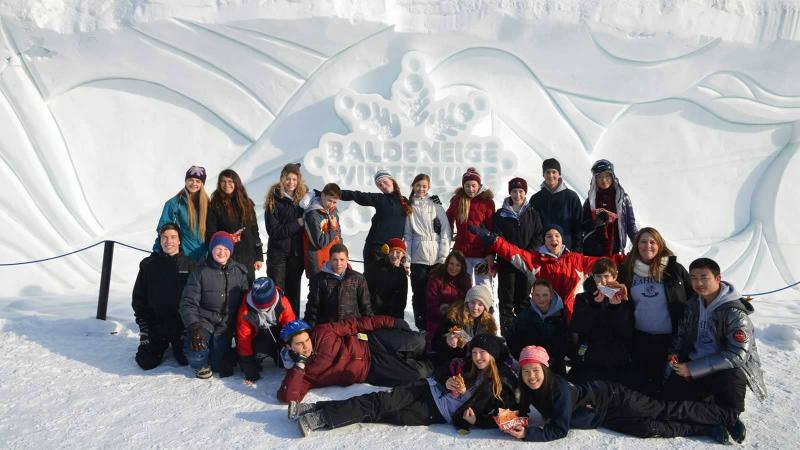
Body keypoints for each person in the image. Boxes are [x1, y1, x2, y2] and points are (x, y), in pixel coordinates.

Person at [502, 346, 745, 444]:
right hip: (603, 416)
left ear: (545, 370)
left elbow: (559, 429)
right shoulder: (529, 389)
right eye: (526, 372)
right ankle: (706, 429)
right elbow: (522, 410)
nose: (531, 376)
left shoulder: (559, 390)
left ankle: (724, 417)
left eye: (536, 370)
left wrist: (527, 434)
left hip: (613, 397)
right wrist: (508, 419)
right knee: (648, 428)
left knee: (664, 409)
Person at [290, 334, 517, 437]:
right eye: (475, 352)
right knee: (378, 401)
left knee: (381, 413)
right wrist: (444, 380)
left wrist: (476, 421)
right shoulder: (467, 365)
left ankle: (320, 412)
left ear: (494, 356)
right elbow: (442, 369)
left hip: (435, 412)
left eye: (482, 353)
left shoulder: (501, 387)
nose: (477, 357)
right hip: (425, 388)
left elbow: (506, 417)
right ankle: (317, 413)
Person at [663, 258, 767, 417]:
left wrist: (692, 369)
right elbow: (681, 336)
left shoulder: (734, 312)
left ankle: (725, 416)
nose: (698, 283)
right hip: (693, 363)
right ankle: (715, 419)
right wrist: (674, 357)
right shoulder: (693, 304)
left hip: (721, 370)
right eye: (693, 278)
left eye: (704, 278)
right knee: (668, 400)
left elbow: (737, 355)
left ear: (718, 278)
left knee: (732, 377)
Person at [468, 223, 619, 321]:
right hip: (543, 316)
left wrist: (631, 258)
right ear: (544, 241)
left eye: (557, 235)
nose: (553, 238)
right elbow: (511, 251)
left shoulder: (576, 259)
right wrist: (492, 239)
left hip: (570, 317)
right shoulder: (534, 260)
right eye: (549, 236)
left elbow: (604, 262)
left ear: (562, 239)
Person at [277, 317, 433, 403]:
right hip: (371, 369)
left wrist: (391, 322)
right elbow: (288, 397)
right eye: (299, 344)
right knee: (419, 372)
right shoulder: (303, 373)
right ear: (289, 347)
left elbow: (355, 324)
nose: (306, 346)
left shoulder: (322, 332)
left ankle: (445, 344)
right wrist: (299, 365)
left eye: (307, 340)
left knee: (419, 342)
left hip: (371, 343)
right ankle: (442, 364)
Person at [618, 227, 692, 387]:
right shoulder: (627, 271)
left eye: (653, 242)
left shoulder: (674, 270)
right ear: (637, 245)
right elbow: (605, 282)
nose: (647, 246)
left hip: (671, 341)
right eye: (643, 242)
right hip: (640, 339)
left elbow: (696, 295)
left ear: (660, 245)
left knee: (668, 386)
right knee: (642, 385)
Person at [179, 231, 249, 379]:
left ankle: (219, 353)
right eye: (218, 248)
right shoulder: (200, 272)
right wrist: (194, 326)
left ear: (231, 251)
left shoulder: (239, 271)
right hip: (204, 321)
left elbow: (245, 302)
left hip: (225, 325)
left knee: (218, 366)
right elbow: (188, 302)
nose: (222, 252)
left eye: (226, 249)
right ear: (211, 249)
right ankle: (200, 363)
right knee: (195, 352)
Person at [132, 223, 197, 370]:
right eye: (165, 237)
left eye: (173, 237)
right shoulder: (148, 265)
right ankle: (159, 344)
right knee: (146, 362)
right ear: (160, 240)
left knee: (187, 359)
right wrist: (144, 325)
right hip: (156, 324)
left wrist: (191, 326)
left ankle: (177, 344)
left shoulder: (191, 265)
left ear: (179, 240)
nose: (169, 241)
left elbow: (196, 300)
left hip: (181, 325)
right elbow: (138, 298)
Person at [569, 258, 637, 387]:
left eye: (606, 276)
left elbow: (626, 332)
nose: (602, 281)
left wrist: (615, 308)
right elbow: (578, 327)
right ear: (593, 277)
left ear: (615, 276)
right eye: (598, 277)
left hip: (616, 359)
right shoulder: (583, 298)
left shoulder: (624, 298)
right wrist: (594, 305)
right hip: (590, 357)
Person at [339, 170, 412, 289]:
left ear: (391, 180)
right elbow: (356, 195)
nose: (383, 185)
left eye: (384, 181)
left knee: (391, 286)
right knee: (372, 285)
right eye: (379, 185)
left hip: (394, 252)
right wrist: (332, 193)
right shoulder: (379, 198)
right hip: (375, 250)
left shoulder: (404, 201)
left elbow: (419, 203)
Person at [492, 177, 543, 336]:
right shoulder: (501, 214)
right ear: (510, 193)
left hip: (526, 264)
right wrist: (507, 254)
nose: (518, 195)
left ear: (525, 193)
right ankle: (507, 335)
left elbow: (539, 235)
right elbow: (497, 237)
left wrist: (528, 254)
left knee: (523, 300)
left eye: (521, 191)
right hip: (507, 263)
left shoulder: (533, 213)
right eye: (514, 191)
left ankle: (523, 333)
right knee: (506, 301)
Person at [404, 173, 452, 330]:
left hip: (436, 255)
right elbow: (408, 235)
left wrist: (443, 256)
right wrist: (408, 259)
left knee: (436, 293)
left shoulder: (435, 204)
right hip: (419, 257)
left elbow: (445, 230)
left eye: (424, 186)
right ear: (413, 186)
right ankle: (421, 326)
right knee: (419, 294)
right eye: (418, 185)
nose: (421, 189)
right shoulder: (409, 206)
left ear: (428, 187)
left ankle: (436, 325)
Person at [264, 163, 309, 314]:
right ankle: (277, 327)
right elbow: (274, 231)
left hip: (296, 254)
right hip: (278, 255)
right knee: (277, 292)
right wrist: (298, 223)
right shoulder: (274, 200)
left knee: (294, 292)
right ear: (282, 179)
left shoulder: (304, 200)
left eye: (294, 179)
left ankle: (294, 328)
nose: (291, 183)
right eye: (288, 179)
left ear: (299, 180)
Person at [206, 169, 263, 284]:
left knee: (248, 290)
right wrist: (226, 239)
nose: (227, 184)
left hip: (247, 256)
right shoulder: (215, 205)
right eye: (223, 181)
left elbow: (254, 230)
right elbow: (211, 232)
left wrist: (258, 256)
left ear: (236, 183)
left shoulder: (247, 203)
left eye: (230, 181)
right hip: (227, 256)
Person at [235, 277, 296, 384]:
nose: (264, 311)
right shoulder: (245, 312)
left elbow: (291, 328)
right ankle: (258, 355)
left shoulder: (283, 302)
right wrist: (248, 365)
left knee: (285, 362)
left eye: (267, 308)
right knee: (249, 366)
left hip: (278, 335)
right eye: (260, 308)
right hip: (258, 338)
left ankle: (278, 355)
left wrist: (294, 351)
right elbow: (243, 339)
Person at [446, 167, 496, 287]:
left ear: (479, 185)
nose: (471, 189)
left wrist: (490, 255)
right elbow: (448, 220)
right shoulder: (457, 200)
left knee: (483, 287)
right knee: (462, 287)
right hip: (462, 254)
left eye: (474, 185)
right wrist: (447, 241)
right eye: (467, 185)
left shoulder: (487, 202)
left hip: (481, 254)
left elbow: (491, 229)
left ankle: (486, 306)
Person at [506, 279, 567, 375]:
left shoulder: (561, 316)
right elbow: (511, 338)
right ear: (532, 296)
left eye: (545, 295)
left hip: (554, 367)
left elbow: (565, 341)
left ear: (551, 295)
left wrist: (553, 359)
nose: (541, 299)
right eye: (537, 295)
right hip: (530, 366)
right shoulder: (524, 315)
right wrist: (524, 357)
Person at [303, 243, 371, 327]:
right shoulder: (319, 279)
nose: (339, 263)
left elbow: (366, 307)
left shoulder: (358, 278)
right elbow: (312, 308)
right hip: (328, 328)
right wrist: (309, 329)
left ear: (347, 259)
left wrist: (369, 328)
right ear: (330, 259)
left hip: (352, 327)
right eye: (335, 260)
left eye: (342, 259)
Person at [580, 159, 637, 257]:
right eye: (600, 177)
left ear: (612, 177)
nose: (604, 180)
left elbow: (630, 225)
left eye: (607, 176)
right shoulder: (590, 201)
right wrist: (596, 222)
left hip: (616, 248)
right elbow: (582, 225)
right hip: (593, 250)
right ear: (595, 180)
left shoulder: (623, 199)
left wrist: (638, 244)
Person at [153, 165, 209, 261]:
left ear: (202, 184)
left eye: (198, 181)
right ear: (186, 181)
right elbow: (163, 230)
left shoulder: (208, 204)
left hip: (206, 256)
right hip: (184, 257)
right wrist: (156, 251)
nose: (193, 183)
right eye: (190, 179)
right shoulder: (174, 204)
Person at [432, 285, 498, 364]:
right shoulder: (455, 317)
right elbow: (435, 343)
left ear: (485, 307)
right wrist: (447, 339)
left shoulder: (488, 324)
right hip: (452, 363)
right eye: (472, 302)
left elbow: (493, 348)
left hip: (478, 364)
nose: (475, 307)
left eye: (480, 304)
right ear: (467, 302)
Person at [528, 158, 583, 251]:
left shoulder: (571, 197)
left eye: (554, 172)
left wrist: (576, 251)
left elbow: (578, 227)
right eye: (547, 172)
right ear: (543, 175)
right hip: (542, 251)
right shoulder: (535, 199)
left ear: (559, 174)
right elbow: (531, 227)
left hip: (567, 250)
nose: (551, 175)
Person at [425, 251, 472, 342]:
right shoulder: (436, 279)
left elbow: (468, 301)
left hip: (459, 321)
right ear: (447, 263)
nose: (454, 268)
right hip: (438, 320)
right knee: (442, 346)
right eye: (451, 264)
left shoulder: (466, 279)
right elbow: (431, 305)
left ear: (462, 267)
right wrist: (447, 314)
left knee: (465, 342)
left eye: (458, 265)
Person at [303, 183, 342, 278]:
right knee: (318, 292)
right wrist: (332, 228)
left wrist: (342, 256)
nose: (331, 204)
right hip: (318, 264)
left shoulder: (333, 212)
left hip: (333, 261)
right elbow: (319, 243)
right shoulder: (312, 215)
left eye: (335, 202)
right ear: (322, 195)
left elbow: (338, 237)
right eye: (329, 200)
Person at [366, 238, 410, 319]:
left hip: (393, 316)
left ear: (403, 254)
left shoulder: (402, 273)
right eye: (392, 251)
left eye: (398, 252)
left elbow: (402, 300)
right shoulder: (376, 267)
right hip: (374, 314)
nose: (394, 255)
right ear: (387, 252)